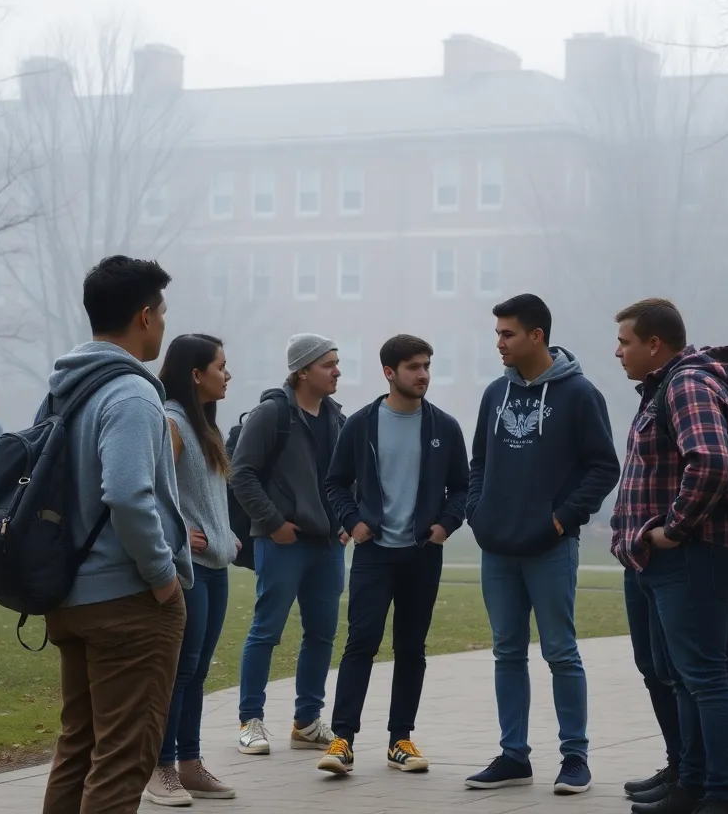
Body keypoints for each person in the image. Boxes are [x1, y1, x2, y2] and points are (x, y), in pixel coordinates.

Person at [41, 255, 191, 814]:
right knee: (124, 759)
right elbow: (128, 494)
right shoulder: (131, 392)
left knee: (78, 749)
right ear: (145, 315)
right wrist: (161, 578)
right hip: (126, 601)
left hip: (71, 593)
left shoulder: (66, 384)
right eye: (163, 311)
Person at [463, 294, 620, 797]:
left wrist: (561, 520)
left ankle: (575, 757)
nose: (499, 343)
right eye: (497, 334)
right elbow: (478, 464)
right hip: (498, 548)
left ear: (537, 336)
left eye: (507, 334)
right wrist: (478, 511)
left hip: (550, 549)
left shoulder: (579, 394)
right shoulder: (494, 394)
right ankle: (514, 756)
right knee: (507, 651)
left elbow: (603, 466)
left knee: (560, 652)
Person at [610, 298, 728, 814]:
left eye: (625, 341)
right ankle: (689, 783)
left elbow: (710, 461)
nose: (618, 351)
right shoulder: (662, 387)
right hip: (657, 561)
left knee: (706, 678)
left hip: (694, 556)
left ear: (654, 344)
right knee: (680, 677)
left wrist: (674, 526)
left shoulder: (687, 384)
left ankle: (719, 796)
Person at [316, 334, 469, 775]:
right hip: (374, 553)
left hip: (423, 553)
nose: (423, 375)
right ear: (389, 372)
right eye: (413, 367)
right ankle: (342, 740)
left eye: (426, 366)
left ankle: (400, 740)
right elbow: (335, 482)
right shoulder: (361, 424)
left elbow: (462, 486)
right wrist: (352, 520)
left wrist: (445, 525)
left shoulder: (445, 427)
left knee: (411, 648)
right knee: (360, 643)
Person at [230, 334, 346, 755]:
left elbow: (343, 479)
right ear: (302, 371)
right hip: (283, 541)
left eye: (337, 362)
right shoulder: (271, 414)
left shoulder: (337, 417)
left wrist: (347, 522)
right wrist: (273, 522)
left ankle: (307, 721)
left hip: (328, 544)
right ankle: (250, 720)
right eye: (328, 364)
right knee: (266, 631)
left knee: (322, 633)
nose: (337, 370)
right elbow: (241, 473)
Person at [144, 334, 241, 805]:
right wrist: (179, 530)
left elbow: (206, 495)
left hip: (217, 566)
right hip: (189, 570)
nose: (228, 374)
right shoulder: (174, 423)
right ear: (195, 373)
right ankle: (159, 769)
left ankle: (190, 763)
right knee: (180, 672)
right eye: (221, 366)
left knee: (198, 671)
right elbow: (150, 489)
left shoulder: (206, 425)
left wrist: (225, 533)